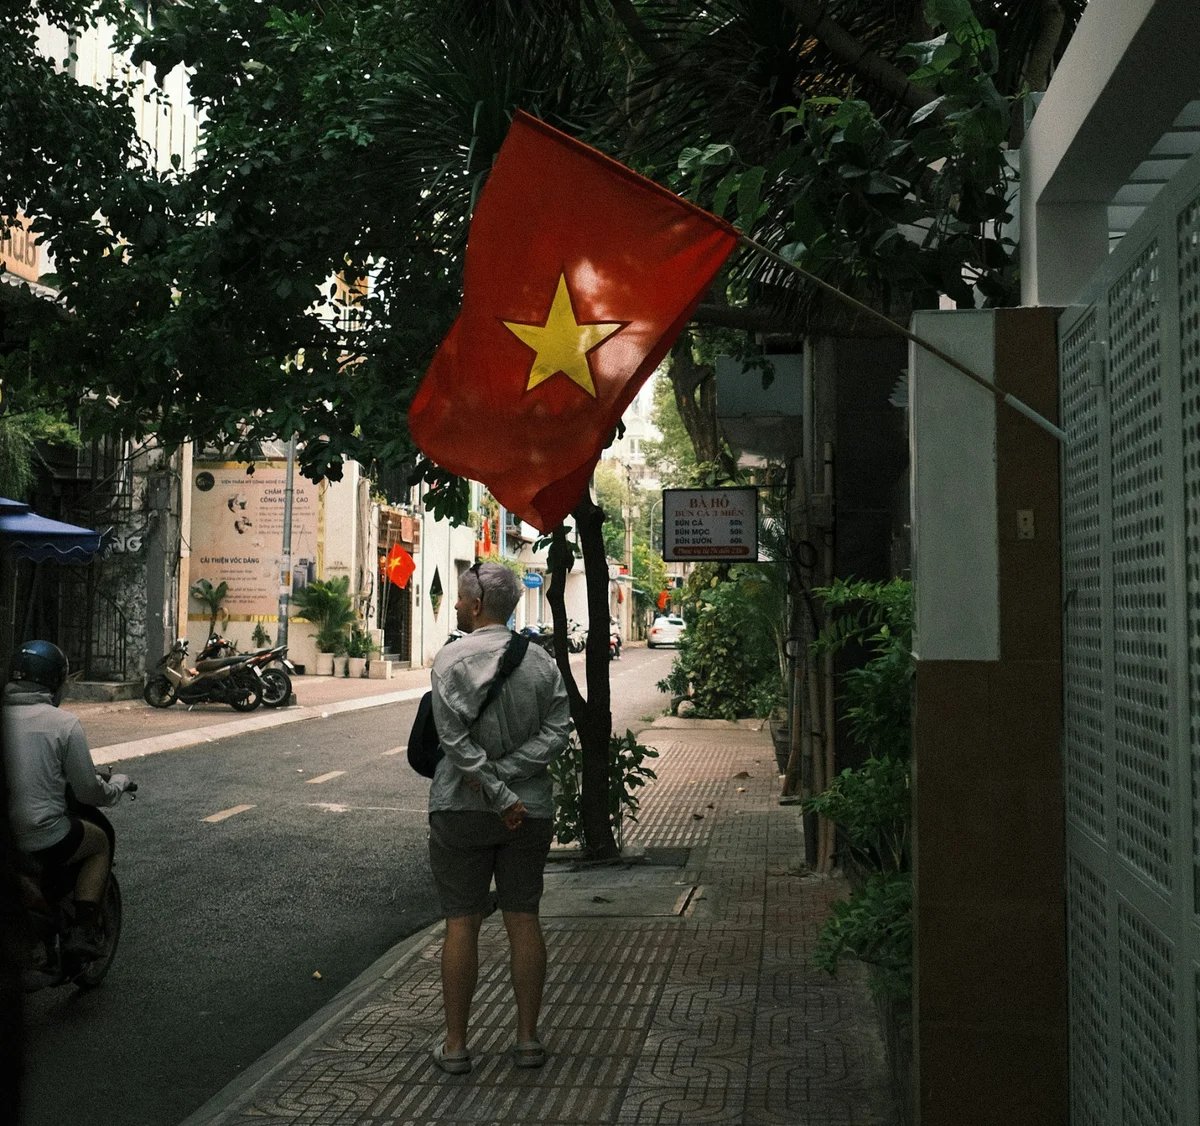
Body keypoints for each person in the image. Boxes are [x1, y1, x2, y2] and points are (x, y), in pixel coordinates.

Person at [427, 562, 570, 1074]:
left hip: (460, 810)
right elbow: (558, 731)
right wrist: (510, 785)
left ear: (476, 605)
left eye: (463, 599)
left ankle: (457, 1046)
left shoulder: (449, 660)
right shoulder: (542, 663)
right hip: (527, 812)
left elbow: (453, 742)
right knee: (523, 917)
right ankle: (528, 1041)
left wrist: (491, 783)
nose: (460, 606)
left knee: (461, 921)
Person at [2, 641, 128, 957]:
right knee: (99, 841)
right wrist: (117, 787)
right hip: (40, 836)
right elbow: (87, 791)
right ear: (56, 681)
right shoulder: (63, 723)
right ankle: (84, 930)